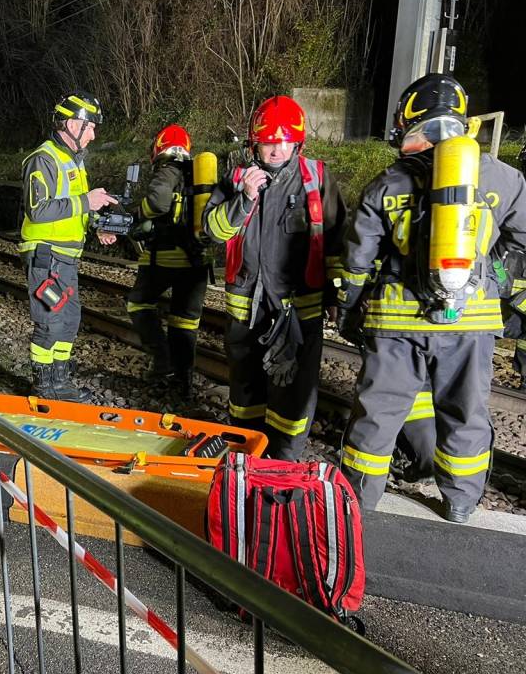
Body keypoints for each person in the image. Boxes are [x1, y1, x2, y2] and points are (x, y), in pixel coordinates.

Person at [336, 73, 526, 522]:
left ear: (411, 120)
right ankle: (460, 504)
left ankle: (357, 506)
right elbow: (522, 243)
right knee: (465, 412)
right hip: (471, 322)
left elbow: (358, 260)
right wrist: (495, 281)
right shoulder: (503, 177)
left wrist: (349, 309)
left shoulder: (387, 184)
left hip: (398, 321)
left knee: (378, 414)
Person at [204, 96, 346, 460]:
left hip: (298, 313)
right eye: (268, 142)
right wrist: (245, 198)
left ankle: (284, 463)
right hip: (246, 311)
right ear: (255, 143)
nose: (276, 149)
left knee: (293, 399)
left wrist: (335, 298)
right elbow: (213, 230)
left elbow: (336, 239)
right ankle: (246, 463)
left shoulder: (316, 179)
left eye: (284, 141)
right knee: (245, 396)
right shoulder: (237, 179)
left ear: (297, 143)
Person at [20, 91, 119, 401]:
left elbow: (73, 208)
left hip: (65, 258)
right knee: (50, 322)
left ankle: (60, 385)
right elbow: (37, 210)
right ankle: (42, 387)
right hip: (46, 256)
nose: (93, 134)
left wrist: (95, 225)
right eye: (90, 127)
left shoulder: (73, 160)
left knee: (69, 320)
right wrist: (85, 201)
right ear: (73, 125)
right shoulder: (44, 159)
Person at [126, 123, 214, 398]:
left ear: (159, 148)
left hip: (164, 259)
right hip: (197, 263)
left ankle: (162, 359)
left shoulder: (167, 170)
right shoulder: (198, 177)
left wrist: (140, 214)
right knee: (184, 322)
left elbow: (159, 203)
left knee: (138, 304)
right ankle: (184, 383)